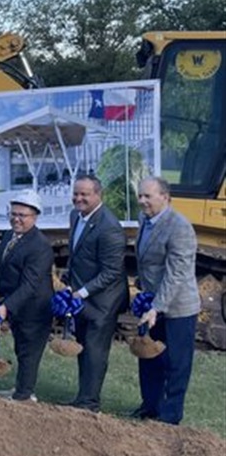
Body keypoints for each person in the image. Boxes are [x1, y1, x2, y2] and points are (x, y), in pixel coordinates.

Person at [131, 176, 200, 425]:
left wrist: (157, 308)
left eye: (147, 196)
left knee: (176, 363)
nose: (142, 201)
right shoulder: (144, 220)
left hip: (177, 307)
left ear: (165, 197)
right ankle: (150, 407)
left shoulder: (179, 227)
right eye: (140, 195)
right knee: (149, 356)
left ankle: (170, 417)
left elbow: (176, 274)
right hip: (151, 304)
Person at [62, 174, 128, 412]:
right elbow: (78, 255)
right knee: (83, 347)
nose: (79, 198)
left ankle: (90, 403)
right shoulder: (75, 216)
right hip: (81, 296)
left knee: (95, 350)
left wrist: (82, 292)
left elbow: (111, 272)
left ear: (98, 195)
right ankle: (83, 397)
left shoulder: (109, 227)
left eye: (85, 194)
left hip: (103, 301)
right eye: (76, 193)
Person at [0, 189, 54, 403]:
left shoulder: (40, 246)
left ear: (34, 217)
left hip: (34, 308)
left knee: (29, 352)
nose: (16, 219)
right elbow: (5, 266)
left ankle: (25, 395)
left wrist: (7, 306)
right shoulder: (10, 236)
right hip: (18, 306)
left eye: (22, 215)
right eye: (13, 213)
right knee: (21, 348)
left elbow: (30, 284)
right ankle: (21, 388)